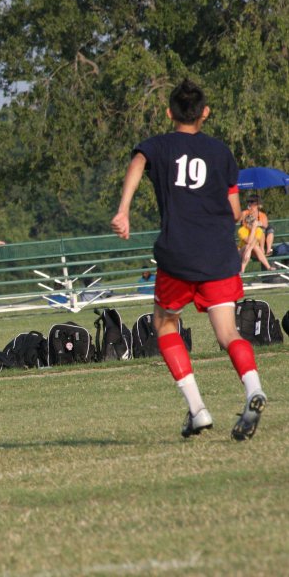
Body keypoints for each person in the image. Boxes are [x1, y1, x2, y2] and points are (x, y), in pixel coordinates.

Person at [110, 78, 267, 441]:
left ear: (169, 113)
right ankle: (253, 389)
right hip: (218, 254)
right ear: (205, 113)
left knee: (165, 323)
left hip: (178, 253)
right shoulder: (220, 152)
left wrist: (124, 210)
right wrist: (242, 215)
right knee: (228, 334)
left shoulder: (159, 146)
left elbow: (137, 161)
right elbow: (231, 211)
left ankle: (197, 409)